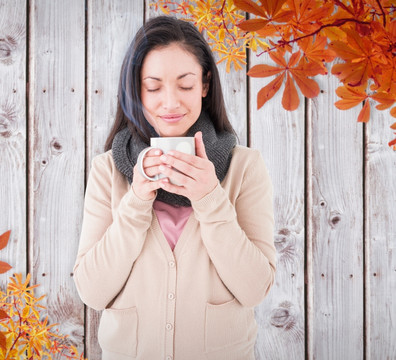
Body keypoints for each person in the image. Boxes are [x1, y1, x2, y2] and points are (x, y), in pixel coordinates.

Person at [73, 15, 276, 360]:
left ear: (205, 85)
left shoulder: (244, 167)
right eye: (153, 87)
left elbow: (255, 288)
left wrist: (210, 198)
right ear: (135, 89)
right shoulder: (107, 170)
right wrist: (136, 200)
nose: (169, 103)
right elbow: (92, 291)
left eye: (184, 85)